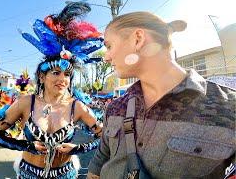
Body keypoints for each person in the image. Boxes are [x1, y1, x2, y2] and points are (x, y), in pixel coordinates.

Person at [87, 11, 235, 179]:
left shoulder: (230, 107)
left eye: (109, 46)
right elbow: (99, 161)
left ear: (138, 39)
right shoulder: (115, 107)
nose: (106, 57)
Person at [0, 1, 104, 179]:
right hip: (28, 173)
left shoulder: (77, 107)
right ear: (42, 76)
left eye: (67, 75)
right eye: (56, 73)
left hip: (66, 174)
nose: (62, 79)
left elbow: (106, 137)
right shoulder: (26, 103)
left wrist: (79, 148)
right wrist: (26, 146)